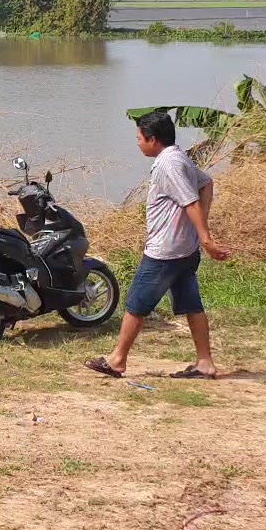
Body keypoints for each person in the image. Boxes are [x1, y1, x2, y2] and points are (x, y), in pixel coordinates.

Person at [87, 110, 230, 381]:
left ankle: (117, 360)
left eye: (139, 138)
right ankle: (205, 362)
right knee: (191, 304)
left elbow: (190, 202)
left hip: (166, 251)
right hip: (184, 250)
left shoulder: (169, 164)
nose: (138, 143)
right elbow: (207, 183)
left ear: (153, 139)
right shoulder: (179, 158)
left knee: (136, 303)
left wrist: (205, 238)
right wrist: (195, 233)